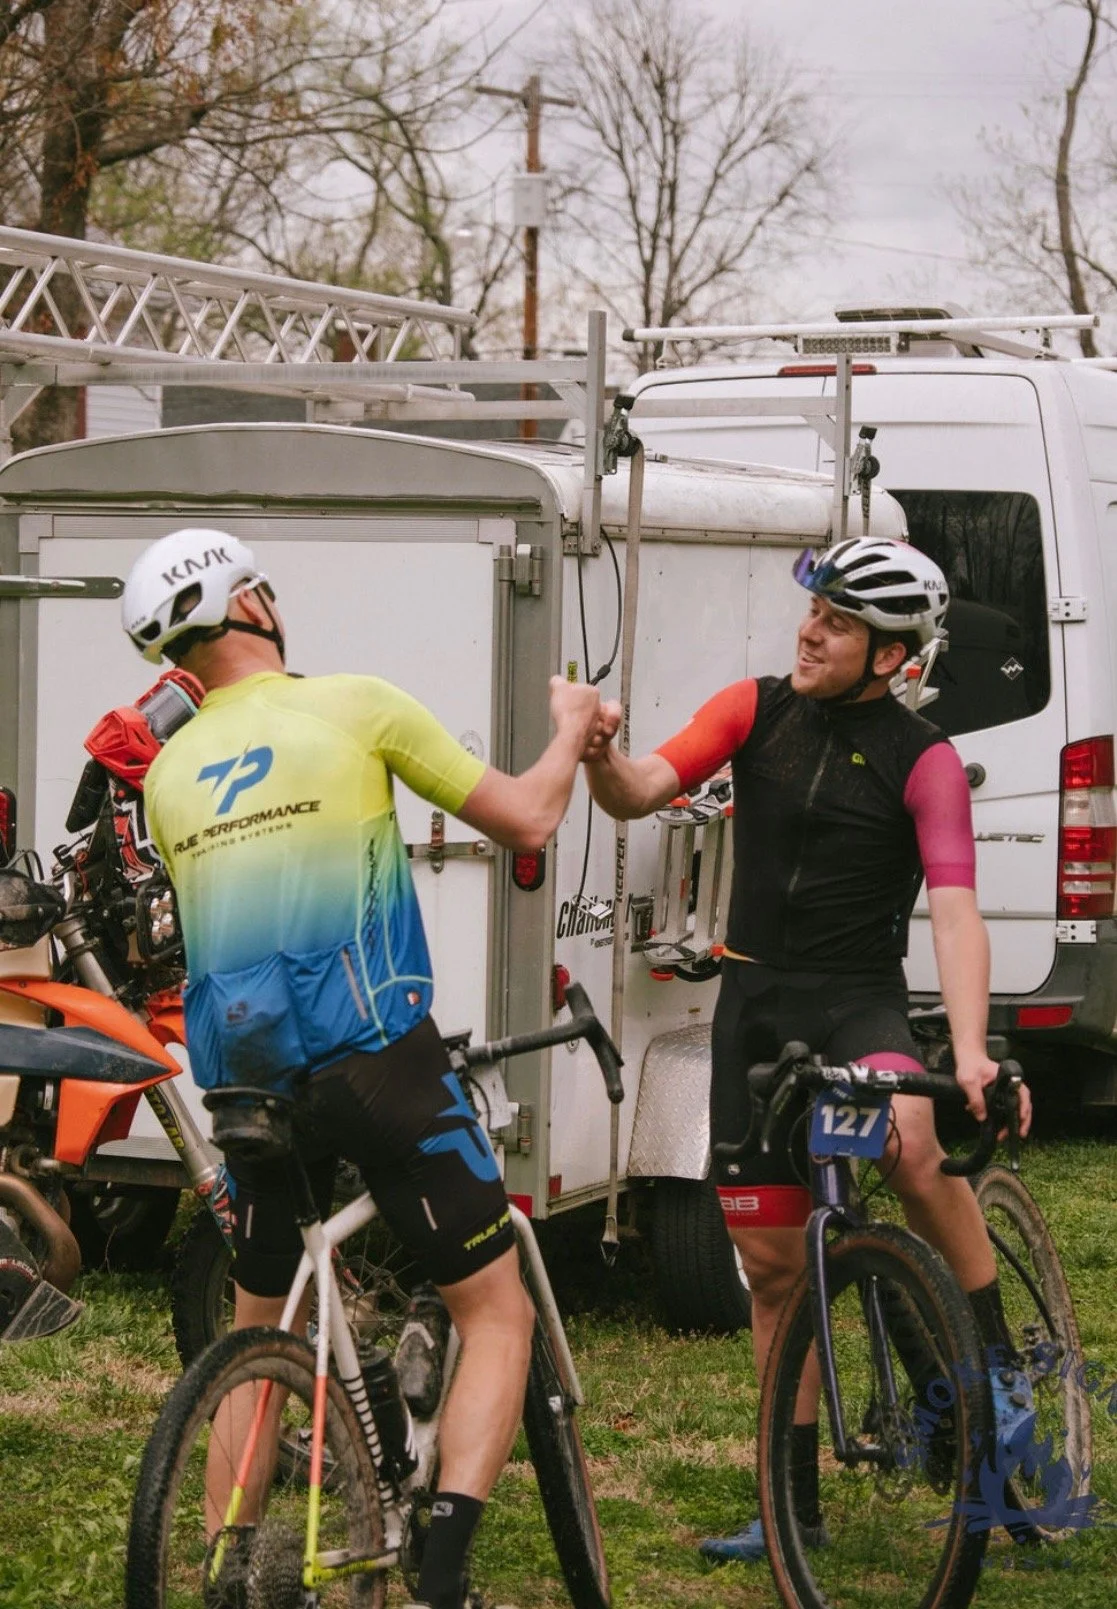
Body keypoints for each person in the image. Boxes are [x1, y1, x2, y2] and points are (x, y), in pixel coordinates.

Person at [122, 527, 602, 1609]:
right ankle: (441, 1576)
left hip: (245, 1085)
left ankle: (226, 1570)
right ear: (252, 606)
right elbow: (528, 818)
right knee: (496, 1310)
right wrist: (572, 727)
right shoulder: (354, 704)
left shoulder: (169, 773)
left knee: (258, 1324)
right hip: (376, 1059)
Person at [581, 535, 1035, 1564]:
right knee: (774, 1269)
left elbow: (955, 911)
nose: (810, 631)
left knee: (910, 1144)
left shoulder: (924, 759)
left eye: (837, 622)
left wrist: (968, 1049)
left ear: (890, 655)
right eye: (813, 611)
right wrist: (602, 753)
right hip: (754, 1008)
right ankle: (791, 1506)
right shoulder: (752, 710)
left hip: (856, 1005)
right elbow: (641, 789)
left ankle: (997, 1369)